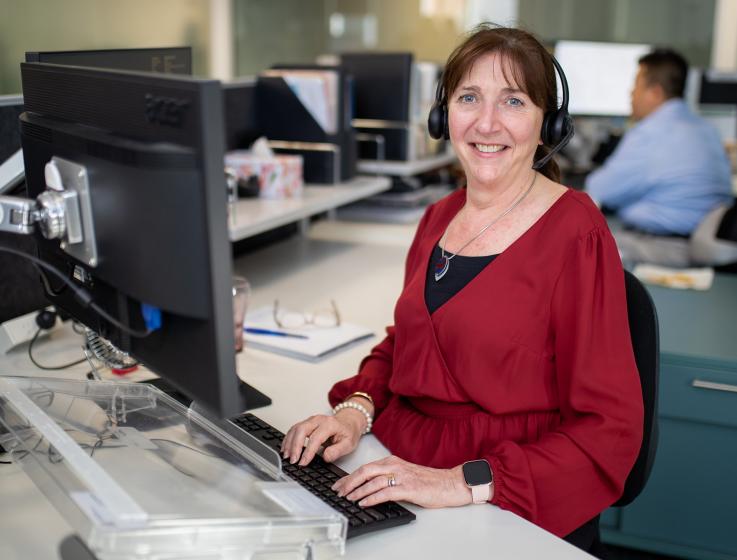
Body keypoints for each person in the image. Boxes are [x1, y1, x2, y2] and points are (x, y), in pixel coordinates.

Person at [282, 23, 643, 553]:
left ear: (549, 124)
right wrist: (354, 413)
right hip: (401, 467)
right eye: (469, 97)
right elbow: (406, 343)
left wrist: (460, 481)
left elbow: (608, 427)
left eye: (514, 101)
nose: (487, 122)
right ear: (442, 115)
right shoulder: (438, 217)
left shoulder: (577, 234)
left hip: (508, 496)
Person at [586, 49, 733, 266]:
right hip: (704, 243)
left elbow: (598, 190)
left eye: (636, 85)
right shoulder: (707, 129)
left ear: (654, 93)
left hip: (666, 248)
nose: (630, 93)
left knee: (576, 244)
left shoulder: (650, 132)